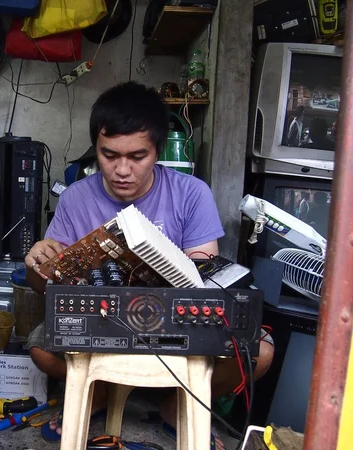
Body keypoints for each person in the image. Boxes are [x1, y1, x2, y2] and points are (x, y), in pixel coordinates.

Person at [24, 82, 274, 449]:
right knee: (41, 347)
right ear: (95, 147)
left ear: (158, 151)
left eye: (137, 156)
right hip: (104, 319)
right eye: (109, 155)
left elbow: (203, 277)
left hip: (172, 322)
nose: (122, 170)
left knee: (260, 353)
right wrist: (38, 264)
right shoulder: (76, 198)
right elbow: (42, 286)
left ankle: (176, 404)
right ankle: (102, 391)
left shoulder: (191, 194)